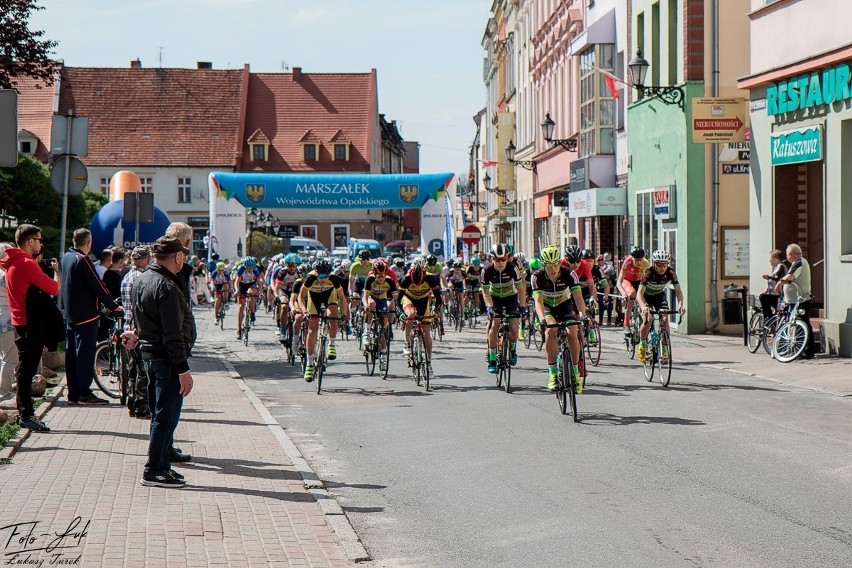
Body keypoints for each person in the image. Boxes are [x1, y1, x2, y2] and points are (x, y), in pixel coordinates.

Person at [131, 236, 196, 488]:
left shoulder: (143, 279)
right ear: (177, 257)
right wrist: (183, 369)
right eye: (183, 255)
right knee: (165, 415)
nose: (185, 260)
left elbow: (141, 320)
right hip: (166, 359)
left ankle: (160, 464)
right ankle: (155, 468)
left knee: (160, 413)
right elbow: (172, 334)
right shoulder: (166, 287)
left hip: (150, 356)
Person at [0, 225, 61, 432]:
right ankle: (26, 415)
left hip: (20, 323)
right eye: (39, 239)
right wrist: (56, 273)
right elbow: (53, 289)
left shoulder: (13, 263)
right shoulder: (26, 263)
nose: (41, 243)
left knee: (24, 371)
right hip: (30, 325)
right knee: (26, 372)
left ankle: (24, 412)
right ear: (30, 241)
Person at [60, 228, 121, 406]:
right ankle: (84, 394)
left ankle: (73, 394)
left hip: (70, 314)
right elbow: (97, 285)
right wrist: (112, 305)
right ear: (88, 243)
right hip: (86, 314)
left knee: (72, 354)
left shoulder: (66, 257)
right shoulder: (83, 259)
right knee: (85, 355)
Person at [532, 245, 586, 393]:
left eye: (556, 264)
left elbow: (578, 297)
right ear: (543, 264)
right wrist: (542, 319)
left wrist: (582, 314)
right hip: (548, 307)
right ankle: (553, 374)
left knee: (573, 332)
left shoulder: (569, 274)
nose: (553, 268)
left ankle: (575, 373)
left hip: (565, 305)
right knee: (550, 330)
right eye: (549, 265)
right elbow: (538, 301)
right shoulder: (537, 277)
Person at [299, 258, 348, 382]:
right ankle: (309, 363)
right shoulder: (310, 278)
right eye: (320, 275)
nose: (323, 278)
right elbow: (301, 297)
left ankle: (331, 343)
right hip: (313, 298)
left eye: (325, 275)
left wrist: (344, 315)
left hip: (329, 296)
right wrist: (304, 312)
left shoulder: (333, 279)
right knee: (312, 330)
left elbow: (342, 298)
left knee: (333, 315)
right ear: (316, 272)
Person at [481, 243, 526, 374]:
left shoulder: (513, 268)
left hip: (511, 297)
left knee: (513, 326)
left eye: (503, 259)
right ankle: (493, 358)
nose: (500, 262)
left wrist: (522, 306)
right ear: (492, 259)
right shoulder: (487, 270)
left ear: (507, 257)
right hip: (495, 298)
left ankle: (512, 350)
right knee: (495, 325)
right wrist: (489, 307)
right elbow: (485, 291)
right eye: (497, 259)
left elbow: (520, 289)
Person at [636, 250, 686, 364]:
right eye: (659, 264)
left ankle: (664, 348)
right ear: (654, 263)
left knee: (665, 318)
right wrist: (643, 307)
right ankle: (642, 343)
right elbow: (639, 293)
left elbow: (678, 290)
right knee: (648, 319)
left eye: (665, 264)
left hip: (659, 296)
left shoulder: (671, 272)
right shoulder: (648, 273)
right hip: (646, 296)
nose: (662, 267)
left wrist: (680, 304)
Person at [121, 245, 153, 418]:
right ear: (147, 260)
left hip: (127, 328)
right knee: (142, 369)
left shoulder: (127, 277)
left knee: (133, 368)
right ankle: (141, 406)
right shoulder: (142, 278)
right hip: (137, 329)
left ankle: (132, 404)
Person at [774, 243, 814, 358]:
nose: (787, 257)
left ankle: (806, 350)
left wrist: (779, 283)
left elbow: (790, 277)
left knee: (802, 324)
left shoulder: (799, 262)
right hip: (794, 299)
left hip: (800, 299)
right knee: (801, 324)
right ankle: (801, 350)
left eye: (787, 254)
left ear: (790, 254)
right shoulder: (797, 262)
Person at [398, 264, 440, 358]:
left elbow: (438, 297)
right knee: (411, 314)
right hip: (409, 298)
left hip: (423, 300)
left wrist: (436, 311)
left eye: (420, 283)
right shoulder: (406, 279)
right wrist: (401, 312)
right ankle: (407, 342)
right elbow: (398, 299)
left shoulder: (430, 278)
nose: (417, 285)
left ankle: (428, 362)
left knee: (426, 331)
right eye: (415, 283)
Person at [616, 247, 651, 330]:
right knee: (632, 294)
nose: (639, 262)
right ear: (632, 258)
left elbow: (649, 281)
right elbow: (619, 282)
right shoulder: (627, 262)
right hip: (627, 280)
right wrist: (624, 294)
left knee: (644, 299)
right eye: (636, 260)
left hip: (639, 281)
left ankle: (646, 320)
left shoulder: (646, 264)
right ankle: (626, 323)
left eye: (640, 260)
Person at [0, 243, 16, 399]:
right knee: (10, 357)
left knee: (2, 356)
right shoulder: (6, 276)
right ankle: (4, 393)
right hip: (5, 319)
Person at [759, 249, 787, 319]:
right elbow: (773, 282)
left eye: (771, 258)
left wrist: (768, 276)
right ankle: (771, 318)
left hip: (780, 296)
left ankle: (769, 317)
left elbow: (776, 276)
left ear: (775, 258)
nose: (770, 260)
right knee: (763, 296)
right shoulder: (775, 267)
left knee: (763, 298)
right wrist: (767, 290)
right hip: (775, 295)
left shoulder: (781, 266)